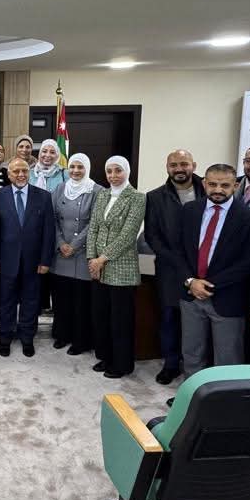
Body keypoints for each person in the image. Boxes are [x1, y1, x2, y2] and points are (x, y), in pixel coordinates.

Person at [175, 164, 250, 375]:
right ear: (204, 184)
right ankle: (192, 390)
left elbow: (248, 261)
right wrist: (191, 281)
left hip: (227, 297)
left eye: (225, 185)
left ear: (236, 186)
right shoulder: (189, 210)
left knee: (228, 357)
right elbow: (178, 251)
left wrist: (208, 285)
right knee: (191, 352)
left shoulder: (249, 217)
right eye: (212, 184)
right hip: (191, 294)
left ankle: (224, 395)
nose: (218, 190)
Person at [143, 149, 205, 383]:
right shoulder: (155, 197)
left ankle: (198, 366)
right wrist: (177, 262)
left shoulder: (208, 190)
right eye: (174, 165)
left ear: (193, 165)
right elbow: (152, 235)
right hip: (169, 269)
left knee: (201, 320)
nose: (179, 169)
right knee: (169, 318)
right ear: (167, 167)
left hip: (204, 269)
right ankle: (170, 364)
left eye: (184, 164)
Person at [87, 156, 146, 377]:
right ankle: (106, 357)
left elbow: (128, 235)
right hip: (98, 268)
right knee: (101, 316)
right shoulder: (103, 194)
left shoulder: (137, 197)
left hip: (121, 268)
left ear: (127, 172)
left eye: (118, 170)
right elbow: (93, 227)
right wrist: (91, 259)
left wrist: (101, 259)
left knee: (120, 320)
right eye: (109, 171)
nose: (113, 175)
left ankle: (122, 364)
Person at [0, 157, 55, 357]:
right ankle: (5, 336)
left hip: (34, 261)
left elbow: (49, 231)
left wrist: (45, 260)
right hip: (5, 259)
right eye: (16, 171)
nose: (20, 175)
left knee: (31, 300)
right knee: (5, 299)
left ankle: (27, 337)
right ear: (8, 174)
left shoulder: (43, 197)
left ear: (29, 172)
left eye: (24, 171)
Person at [50, 154, 98, 355]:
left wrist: (74, 245)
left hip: (82, 253)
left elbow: (95, 222)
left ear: (87, 168)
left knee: (81, 301)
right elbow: (52, 218)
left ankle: (81, 340)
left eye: (80, 167)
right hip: (61, 253)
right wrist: (61, 243)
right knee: (62, 300)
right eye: (72, 167)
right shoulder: (60, 188)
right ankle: (62, 335)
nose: (76, 171)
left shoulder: (96, 190)